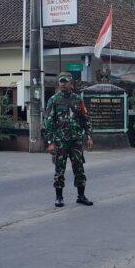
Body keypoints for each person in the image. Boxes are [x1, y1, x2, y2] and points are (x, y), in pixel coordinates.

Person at [44, 73, 94, 207]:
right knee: (59, 169)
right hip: (60, 141)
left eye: (65, 81)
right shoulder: (54, 100)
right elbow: (48, 122)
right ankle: (59, 197)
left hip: (76, 140)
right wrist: (50, 142)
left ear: (70, 83)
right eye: (61, 81)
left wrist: (89, 136)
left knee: (79, 168)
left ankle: (81, 196)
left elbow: (85, 118)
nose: (63, 84)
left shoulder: (78, 99)